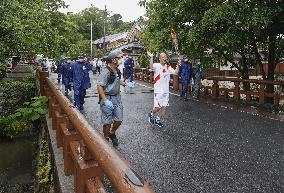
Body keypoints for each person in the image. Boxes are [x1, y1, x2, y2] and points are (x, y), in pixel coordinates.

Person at [97, 50, 127, 146]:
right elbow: (99, 86)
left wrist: (126, 83)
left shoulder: (117, 70)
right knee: (107, 122)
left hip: (117, 98)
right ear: (114, 60)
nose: (121, 60)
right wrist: (105, 100)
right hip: (107, 98)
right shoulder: (105, 71)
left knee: (119, 119)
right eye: (119, 58)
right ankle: (106, 138)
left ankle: (112, 133)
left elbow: (117, 80)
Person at [148, 52, 175, 127]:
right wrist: (151, 57)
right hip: (158, 90)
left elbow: (176, 72)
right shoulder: (156, 65)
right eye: (162, 57)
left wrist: (179, 65)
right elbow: (150, 67)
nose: (164, 58)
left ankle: (157, 120)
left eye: (165, 57)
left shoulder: (168, 67)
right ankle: (151, 114)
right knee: (158, 107)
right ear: (160, 58)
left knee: (163, 108)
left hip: (166, 91)